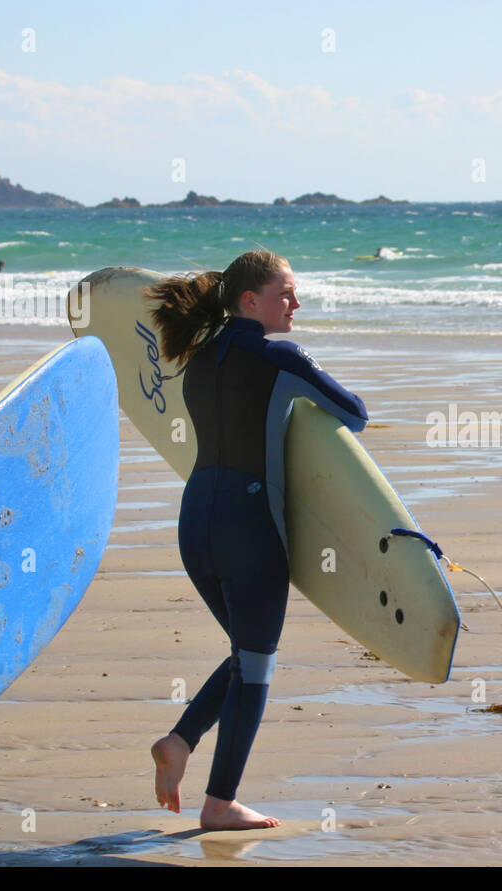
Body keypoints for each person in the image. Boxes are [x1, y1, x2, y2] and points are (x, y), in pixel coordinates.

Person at [145, 249, 368, 830]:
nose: (296, 303)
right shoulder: (279, 356)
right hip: (249, 525)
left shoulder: (200, 357)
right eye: (285, 294)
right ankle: (219, 804)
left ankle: (180, 742)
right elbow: (353, 412)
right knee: (258, 662)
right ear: (251, 301)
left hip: (196, 519)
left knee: (246, 654)